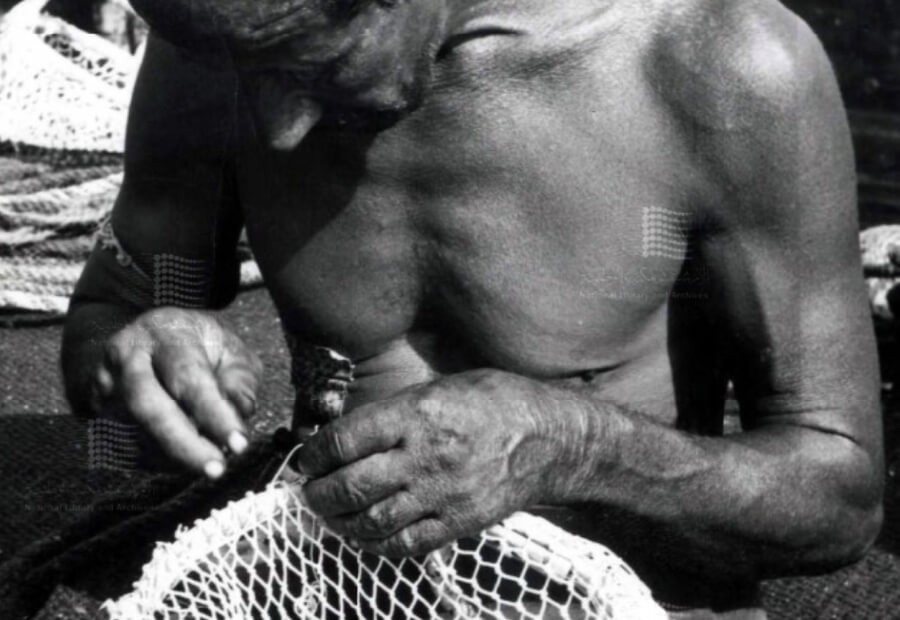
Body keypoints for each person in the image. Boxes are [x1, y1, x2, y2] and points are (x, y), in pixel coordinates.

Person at [61, 0, 884, 617]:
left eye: (309, 64)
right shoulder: (222, 46)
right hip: (326, 593)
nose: (278, 130)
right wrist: (135, 352)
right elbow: (128, 312)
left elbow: (841, 501)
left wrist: (577, 447)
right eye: (258, 70)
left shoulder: (714, 64)